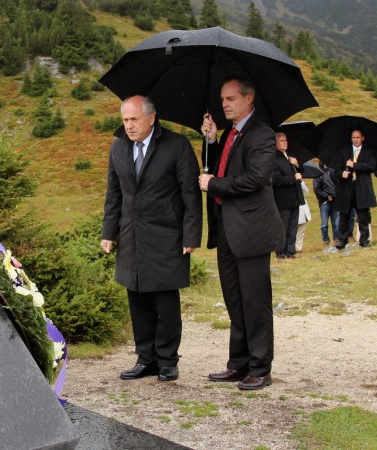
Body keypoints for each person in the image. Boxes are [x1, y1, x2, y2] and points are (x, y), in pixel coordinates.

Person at [101, 95, 202, 383]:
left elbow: (190, 195)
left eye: (134, 119)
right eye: (125, 120)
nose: (129, 126)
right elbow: (114, 194)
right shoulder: (118, 146)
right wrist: (109, 232)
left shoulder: (176, 145)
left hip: (167, 235)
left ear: (151, 118)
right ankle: (146, 359)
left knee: (165, 301)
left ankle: (168, 360)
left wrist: (191, 234)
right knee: (137, 298)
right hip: (131, 235)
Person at [198, 76, 283, 390]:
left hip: (252, 230)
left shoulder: (261, 135)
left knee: (255, 300)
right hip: (227, 230)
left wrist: (214, 185)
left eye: (230, 99)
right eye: (222, 100)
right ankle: (239, 364)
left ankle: (260, 368)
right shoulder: (231, 134)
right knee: (234, 299)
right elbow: (220, 166)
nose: (224, 104)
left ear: (249, 99)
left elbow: (255, 179)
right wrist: (210, 141)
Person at [334, 129, 377, 249]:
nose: (356, 140)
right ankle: (342, 240)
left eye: (358, 137)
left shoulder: (368, 152)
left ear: (362, 138)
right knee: (344, 215)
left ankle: (364, 240)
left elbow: (371, 166)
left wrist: (355, 165)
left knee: (363, 215)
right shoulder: (344, 152)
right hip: (346, 188)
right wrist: (341, 173)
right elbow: (336, 169)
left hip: (362, 187)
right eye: (353, 137)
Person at [272, 132, 304, 259]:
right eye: (281, 141)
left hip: (295, 197)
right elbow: (276, 180)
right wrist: (293, 178)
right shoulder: (274, 159)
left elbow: (301, 172)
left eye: (285, 140)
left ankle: (291, 251)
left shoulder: (290, 156)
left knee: (293, 226)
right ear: (275, 143)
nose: (285, 142)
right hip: (283, 199)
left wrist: (297, 165)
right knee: (283, 226)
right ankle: (280, 252)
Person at [313, 162, 338, 246]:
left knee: (336, 223)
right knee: (324, 223)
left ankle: (337, 239)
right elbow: (316, 189)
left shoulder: (333, 172)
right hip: (324, 202)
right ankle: (325, 240)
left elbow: (337, 185)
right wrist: (326, 196)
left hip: (335, 201)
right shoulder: (318, 174)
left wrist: (335, 195)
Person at [295, 182, 311, 253]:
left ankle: (298, 248)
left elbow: (306, 191)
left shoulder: (301, 181)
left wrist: (300, 182)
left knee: (301, 231)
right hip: (293, 208)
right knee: (293, 231)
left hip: (302, 209)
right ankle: (291, 247)